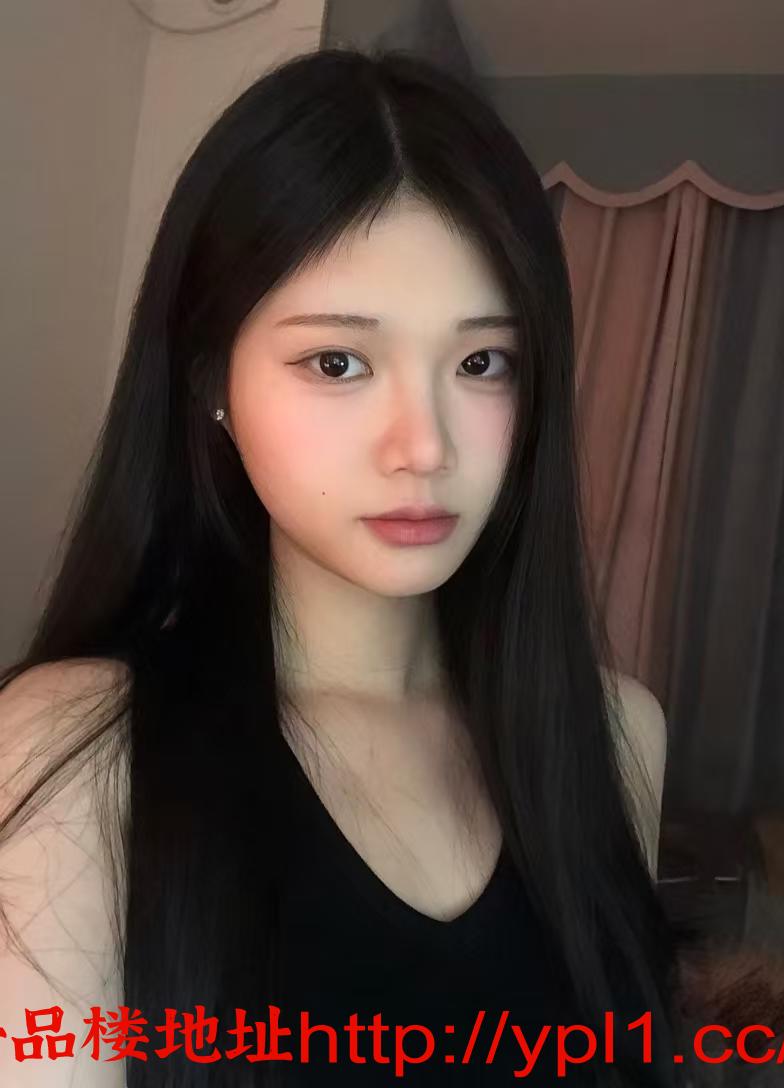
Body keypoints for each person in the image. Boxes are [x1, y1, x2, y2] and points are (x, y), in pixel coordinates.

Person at [0, 47, 690, 1087]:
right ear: (211, 382)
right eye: (339, 361)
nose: (425, 446)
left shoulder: (616, 735)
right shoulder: (77, 747)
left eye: (482, 362)